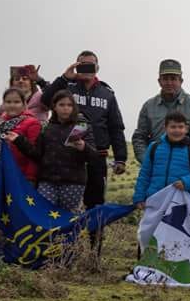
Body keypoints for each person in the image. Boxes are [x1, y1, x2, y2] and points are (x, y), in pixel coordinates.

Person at [41, 51, 127, 214]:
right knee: (63, 206)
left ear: (97, 68)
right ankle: (63, 239)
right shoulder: (66, 87)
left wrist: (120, 158)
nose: (87, 68)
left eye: (91, 64)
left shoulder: (107, 93)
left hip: (97, 156)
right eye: (83, 64)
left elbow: (116, 127)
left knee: (95, 205)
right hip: (66, 157)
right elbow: (45, 101)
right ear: (76, 66)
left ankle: (95, 240)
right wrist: (64, 78)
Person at [4, 90, 97, 211]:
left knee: (68, 217)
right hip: (47, 181)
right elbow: (36, 153)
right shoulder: (46, 128)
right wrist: (19, 140)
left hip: (73, 182)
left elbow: (94, 156)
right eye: (62, 105)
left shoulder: (82, 127)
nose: (66, 108)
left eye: (69, 105)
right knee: (45, 214)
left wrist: (83, 147)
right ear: (54, 107)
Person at [131, 59, 190, 163]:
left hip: (185, 164)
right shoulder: (148, 106)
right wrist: (147, 160)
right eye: (165, 79)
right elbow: (139, 137)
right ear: (159, 81)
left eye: (173, 79)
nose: (169, 83)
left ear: (181, 81)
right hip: (156, 163)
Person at [132, 111, 190, 208]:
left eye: (180, 127)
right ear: (165, 128)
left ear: (186, 129)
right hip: (154, 201)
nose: (177, 130)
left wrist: (186, 182)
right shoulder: (154, 147)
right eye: (173, 127)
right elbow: (145, 174)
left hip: (181, 203)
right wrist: (139, 197)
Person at [0, 88, 41, 188]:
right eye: (8, 102)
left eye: (16, 102)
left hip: (22, 177)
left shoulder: (32, 123)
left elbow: (34, 153)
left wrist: (31, 177)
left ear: (24, 104)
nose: (12, 105)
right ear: (3, 104)